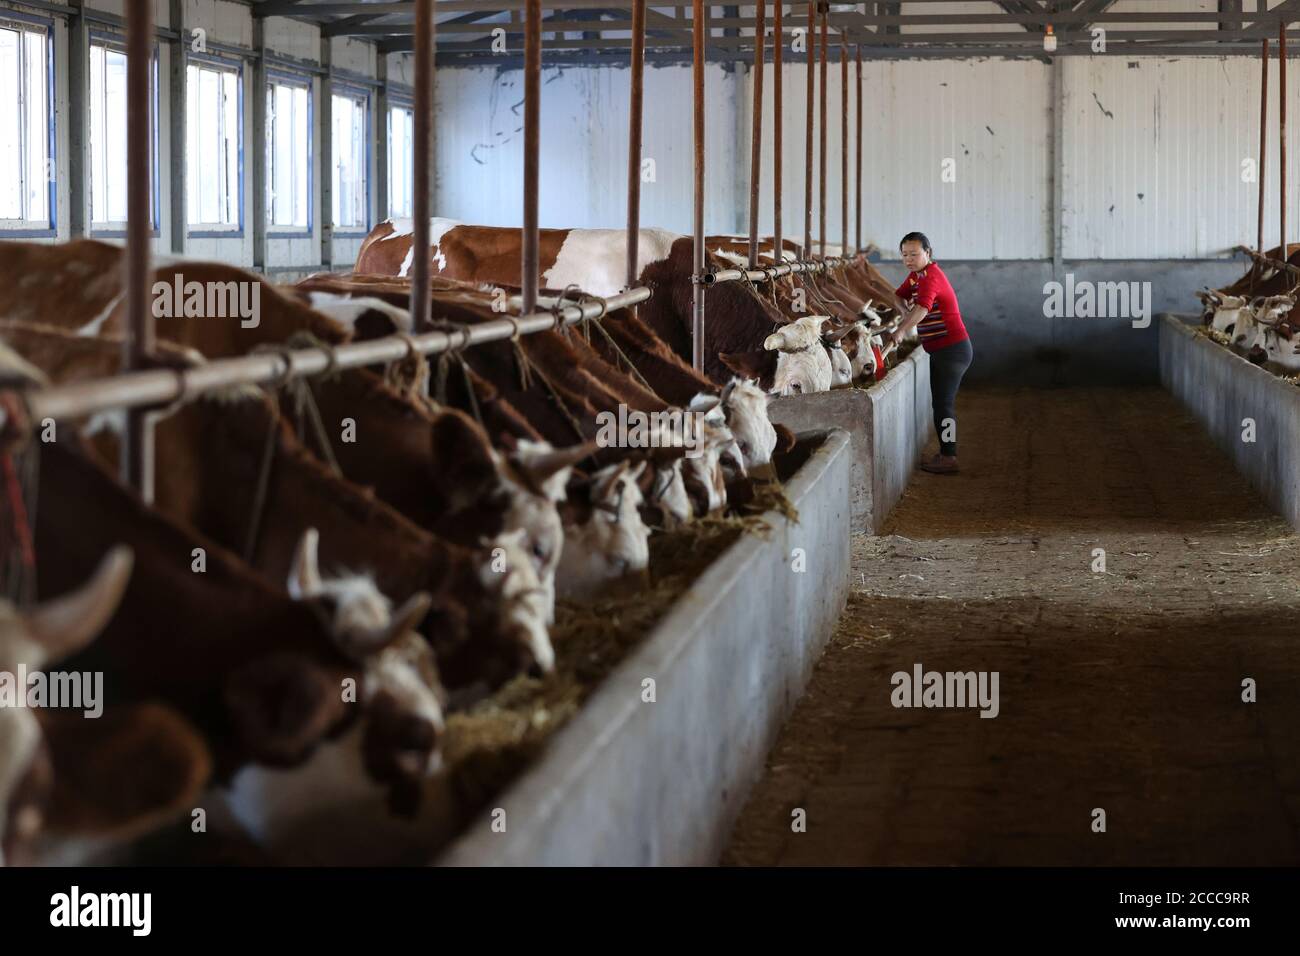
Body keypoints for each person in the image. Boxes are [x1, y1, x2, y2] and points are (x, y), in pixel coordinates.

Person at [889, 232, 973, 475]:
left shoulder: (929, 277)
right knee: (941, 404)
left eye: (914, 254)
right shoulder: (916, 277)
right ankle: (947, 453)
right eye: (904, 255)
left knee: (944, 405)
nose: (909, 259)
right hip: (942, 350)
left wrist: (902, 330)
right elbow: (897, 295)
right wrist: (904, 312)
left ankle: (949, 456)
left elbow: (923, 307)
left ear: (928, 253)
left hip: (952, 351)